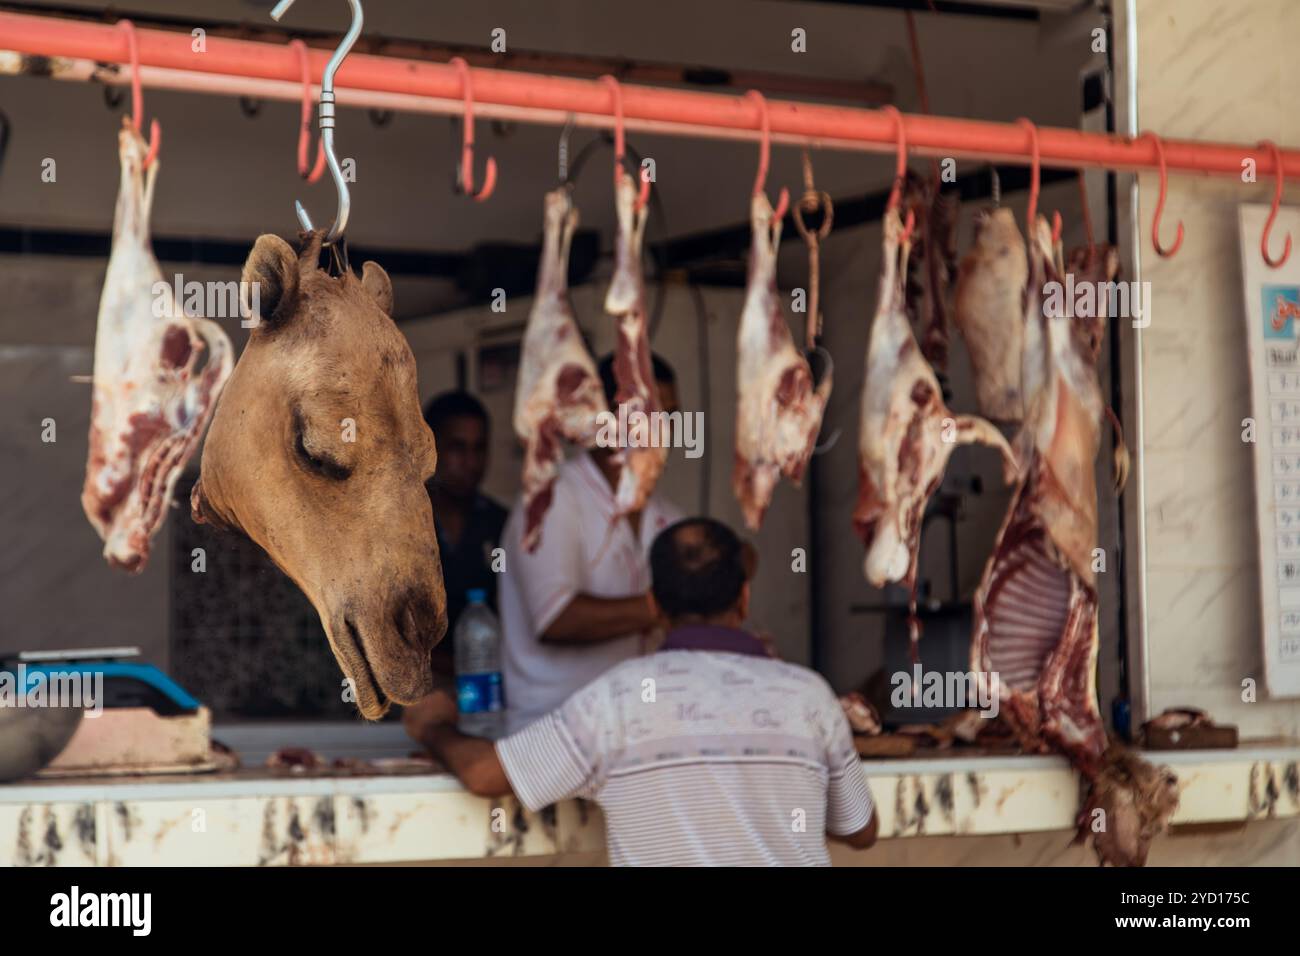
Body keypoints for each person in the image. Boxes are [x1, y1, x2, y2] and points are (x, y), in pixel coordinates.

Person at [404, 517, 877, 866]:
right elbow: (861, 830)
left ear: (653, 604)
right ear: (744, 597)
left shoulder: (620, 700)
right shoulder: (809, 695)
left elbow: (485, 775)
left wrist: (435, 727)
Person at [494, 352, 685, 733]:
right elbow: (557, 619)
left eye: (670, 416)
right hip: (551, 731)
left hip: (635, 730)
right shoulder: (551, 500)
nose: (661, 430)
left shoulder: (669, 517)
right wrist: (677, 604)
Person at [423, 391, 508, 676]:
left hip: (486, 687)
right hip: (413, 692)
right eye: (457, 448)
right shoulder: (398, 526)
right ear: (429, 447)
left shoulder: (501, 525)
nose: (471, 462)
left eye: (479, 448)